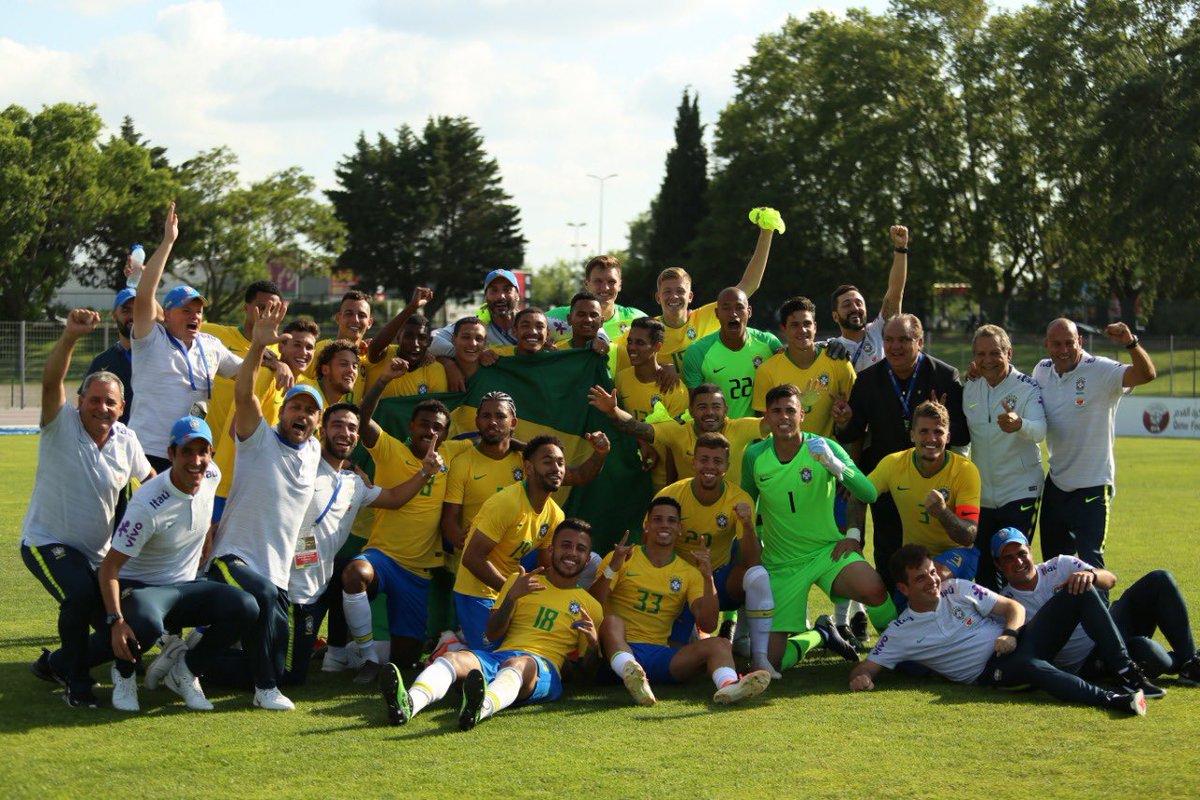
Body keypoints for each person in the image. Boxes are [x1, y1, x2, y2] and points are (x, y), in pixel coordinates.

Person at [848, 544, 1151, 717]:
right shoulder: (901, 631)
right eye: (921, 579)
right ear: (903, 588)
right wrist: (860, 677)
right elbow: (867, 666)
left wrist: (1011, 633)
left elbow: (1012, 608)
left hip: (1018, 640)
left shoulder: (957, 587)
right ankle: (1111, 700)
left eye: (932, 572)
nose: (932, 582)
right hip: (992, 670)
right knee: (1033, 667)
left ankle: (1126, 671)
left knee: (1079, 591)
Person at [23, 308, 153, 707]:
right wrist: (70, 338)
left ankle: (56, 663)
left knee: (135, 623)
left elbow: (150, 484)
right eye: (93, 400)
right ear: (79, 401)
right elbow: (50, 381)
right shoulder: (60, 423)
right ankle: (77, 683)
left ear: (122, 406)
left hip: (99, 556)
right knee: (79, 597)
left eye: (110, 402)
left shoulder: (126, 440)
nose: (101, 408)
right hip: (48, 543)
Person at [206, 299, 323, 711]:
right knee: (261, 607)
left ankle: (188, 661)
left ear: (317, 423)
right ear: (282, 411)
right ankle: (264, 691)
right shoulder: (259, 438)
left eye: (310, 412)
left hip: (276, 570)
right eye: (295, 407)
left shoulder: (313, 453)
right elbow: (243, 394)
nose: (302, 416)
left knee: (282, 663)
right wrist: (257, 347)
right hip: (234, 557)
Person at [380, 519, 604, 730]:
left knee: (520, 663)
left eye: (581, 549)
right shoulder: (520, 582)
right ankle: (409, 703)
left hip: (540, 668)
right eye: (566, 545)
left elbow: (584, 680)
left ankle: (481, 706)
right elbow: (492, 633)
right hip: (500, 657)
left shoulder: (591, 606)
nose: (572, 553)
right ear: (552, 550)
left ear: (587, 559)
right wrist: (511, 598)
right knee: (451, 659)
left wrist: (593, 645)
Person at [99, 416, 258, 712]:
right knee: (144, 624)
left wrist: (208, 534)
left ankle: (185, 670)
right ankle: (123, 673)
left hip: (186, 585)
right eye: (187, 451)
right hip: (142, 590)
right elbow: (109, 567)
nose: (196, 460)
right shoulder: (147, 505)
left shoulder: (212, 476)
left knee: (246, 606)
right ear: (171, 454)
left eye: (203, 452)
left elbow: (200, 512)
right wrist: (116, 620)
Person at [741, 384, 892, 673]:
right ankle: (820, 634)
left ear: (802, 415)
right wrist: (756, 542)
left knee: (873, 589)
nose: (784, 417)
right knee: (771, 664)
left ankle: (902, 644)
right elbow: (747, 503)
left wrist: (834, 464)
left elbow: (869, 493)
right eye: (776, 411)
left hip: (827, 552)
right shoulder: (754, 456)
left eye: (790, 410)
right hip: (782, 563)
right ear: (767, 418)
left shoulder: (824, 447)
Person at [590, 497, 771, 706]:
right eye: (657, 519)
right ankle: (629, 670)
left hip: (660, 655)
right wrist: (612, 568)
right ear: (646, 525)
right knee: (612, 621)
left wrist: (707, 578)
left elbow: (709, 624)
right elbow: (593, 602)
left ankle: (729, 686)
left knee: (720, 644)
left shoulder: (688, 572)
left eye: (671, 520)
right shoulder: (621, 557)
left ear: (680, 529)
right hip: (617, 653)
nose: (665, 525)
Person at [834, 313, 967, 591]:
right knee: (888, 552)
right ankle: (893, 622)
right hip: (888, 481)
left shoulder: (944, 376)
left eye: (904, 340)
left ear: (920, 341)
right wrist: (844, 421)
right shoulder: (869, 380)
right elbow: (852, 432)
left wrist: (940, 418)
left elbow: (963, 433)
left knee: (931, 553)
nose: (895, 347)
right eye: (889, 340)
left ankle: (936, 614)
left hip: (934, 482)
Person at [993, 528, 1196, 688]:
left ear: (1030, 551)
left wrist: (1092, 575)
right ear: (998, 565)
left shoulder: (1060, 565)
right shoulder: (1006, 603)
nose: (1018, 561)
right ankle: (1170, 663)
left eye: (1021, 553)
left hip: (1111, 625)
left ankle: (1191, 663)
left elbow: (1110, 579)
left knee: (1160, 579)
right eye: (1008, 558)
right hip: (1089, 660)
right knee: (1147, 652)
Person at [1032, 319, 1156, 574]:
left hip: (1093, 486)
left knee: (1091, 569)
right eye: (1057, 344)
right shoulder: (1041, 370)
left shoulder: (1101, 370)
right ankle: (1066, 616)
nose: (1063, 349)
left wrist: (1131, 343)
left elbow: (1146, 374)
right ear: (1047, 345)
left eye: (1070, 343)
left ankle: (1099, 615)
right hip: (1056, 484)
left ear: (1080, 342)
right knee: (1054, 568)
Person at [127, 203, 243, 472]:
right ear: (166, 314)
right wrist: (168, 241)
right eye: (186, 310)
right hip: (147, 451)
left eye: (199, 311)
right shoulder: (150, 338)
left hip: (193, 453)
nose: (195, 316)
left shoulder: (211, 346)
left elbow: (245, 372)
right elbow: (145, 295)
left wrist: (272, 357)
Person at [613, 207, 781, 375]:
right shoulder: (649, 330)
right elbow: (610, 348)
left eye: (680, 290)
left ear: (690, 296)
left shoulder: (706, 317)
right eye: (667, 292)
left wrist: (766, 232)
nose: (674, 296)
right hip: (669, 401)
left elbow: (748, 285)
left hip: (705, 399)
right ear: (658, 297)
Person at [452, 436, 569, 649]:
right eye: (548, 462)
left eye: (560, 463)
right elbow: (472, 558)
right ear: (528, 468)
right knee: (496, 654)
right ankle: (451, 645)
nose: (556, 468)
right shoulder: (506, 503)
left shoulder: (556, 515)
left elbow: (545, 564)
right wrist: (511, 591)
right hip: (477, 591)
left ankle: (461, 641)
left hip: (510, 590)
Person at [853, 400, 981, 593]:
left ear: (948, 437)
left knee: (932, 578)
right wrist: (853, 537)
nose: (931, 438)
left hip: (957, 555)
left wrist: (943, 512)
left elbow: (968, 536)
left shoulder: (965, 470)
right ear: (912, 435)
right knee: (886, 610)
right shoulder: (893, 464)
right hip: (915, 559)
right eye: (924, 431)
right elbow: (859, 496)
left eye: (938, 432)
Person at [653, 434, 757, 658]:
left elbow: (753, 562)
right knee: (677, 653)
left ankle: (751, 645)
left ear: (727, 467)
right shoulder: (670, 496)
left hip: (718, 577)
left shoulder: (739, 499)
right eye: (704, 459)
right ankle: (693, 634)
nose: (710, 466)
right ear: (694, 462)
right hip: (679, 581)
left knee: (756, 577)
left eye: (717, 461)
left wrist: (747, 525)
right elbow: (650, 547)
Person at [964, 324, 1046, 589]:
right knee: (985, 569)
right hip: (983, 495)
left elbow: (1040, 431)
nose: (987, 361)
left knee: (1015, 565)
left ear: (1008, 353)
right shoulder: (971, 388)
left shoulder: (1027, 388)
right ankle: (995, 629)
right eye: (980, 354)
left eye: (994, 353)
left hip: (1020, 490)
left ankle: (1021, 626)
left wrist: (1020, 424)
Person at [590, 382, 764, 488]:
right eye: (702, 407)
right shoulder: (678, 431)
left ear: (726, 410)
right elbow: (635, 427)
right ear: (691, 411)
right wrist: (613, 410)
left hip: (732, 510)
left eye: (716, 407)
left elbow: (775, 423)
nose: (710, 412)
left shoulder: (741, 427)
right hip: (687, 508)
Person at [751, 296, 856, 437]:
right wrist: (802, 403)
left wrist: (843, 421)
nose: (802, 330)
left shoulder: (839, 363)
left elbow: (856, 420)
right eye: (795, 325)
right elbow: (765, 428)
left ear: (815, 327)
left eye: (807, 323)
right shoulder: (767, 370)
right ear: (783, 329)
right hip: (786, 456)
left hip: (828, 455)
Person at [682, 287, 783, 419]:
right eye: (726, 308)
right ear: (717, 313)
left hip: (761, 435)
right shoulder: (697, 352)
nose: (733, 313)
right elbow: (697, 408)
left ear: (749, 311)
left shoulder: (769, 343)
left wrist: (818, 346)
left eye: (739, 307)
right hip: (718, 436)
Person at [826, 225, 909, 371]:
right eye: (847, 305)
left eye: (859, 303)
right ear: (835, 316)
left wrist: (900, 249)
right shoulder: (830, 349)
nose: (855, 308)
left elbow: (895, 293)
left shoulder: (879, 330)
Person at [547, 255, 646, 350]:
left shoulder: (636, 319)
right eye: (598, 281)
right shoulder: (557, 317)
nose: (605, 288)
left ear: (620, 285)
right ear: (586, 284)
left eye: (611, 282)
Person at [301, 289, 375, 397]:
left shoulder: (367, 358)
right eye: (349, 314)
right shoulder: (320, 350)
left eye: (362, 315)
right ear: (338, 318)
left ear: (369, 323)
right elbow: (295, 380)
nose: (355, 320)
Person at [82, 289, 136, 424]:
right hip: (116, 441)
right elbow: (84, 406)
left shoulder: (159, 356)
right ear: (114, 315)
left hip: (152, 440)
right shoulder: (102, 362)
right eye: (126, 310)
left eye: (138, 309)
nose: (133, 316)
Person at [305, 340, 361, 405]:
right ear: (325, 369)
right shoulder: (304, 388)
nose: (351, 370)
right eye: (343, 364)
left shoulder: (339, 411)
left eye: (354, 366)